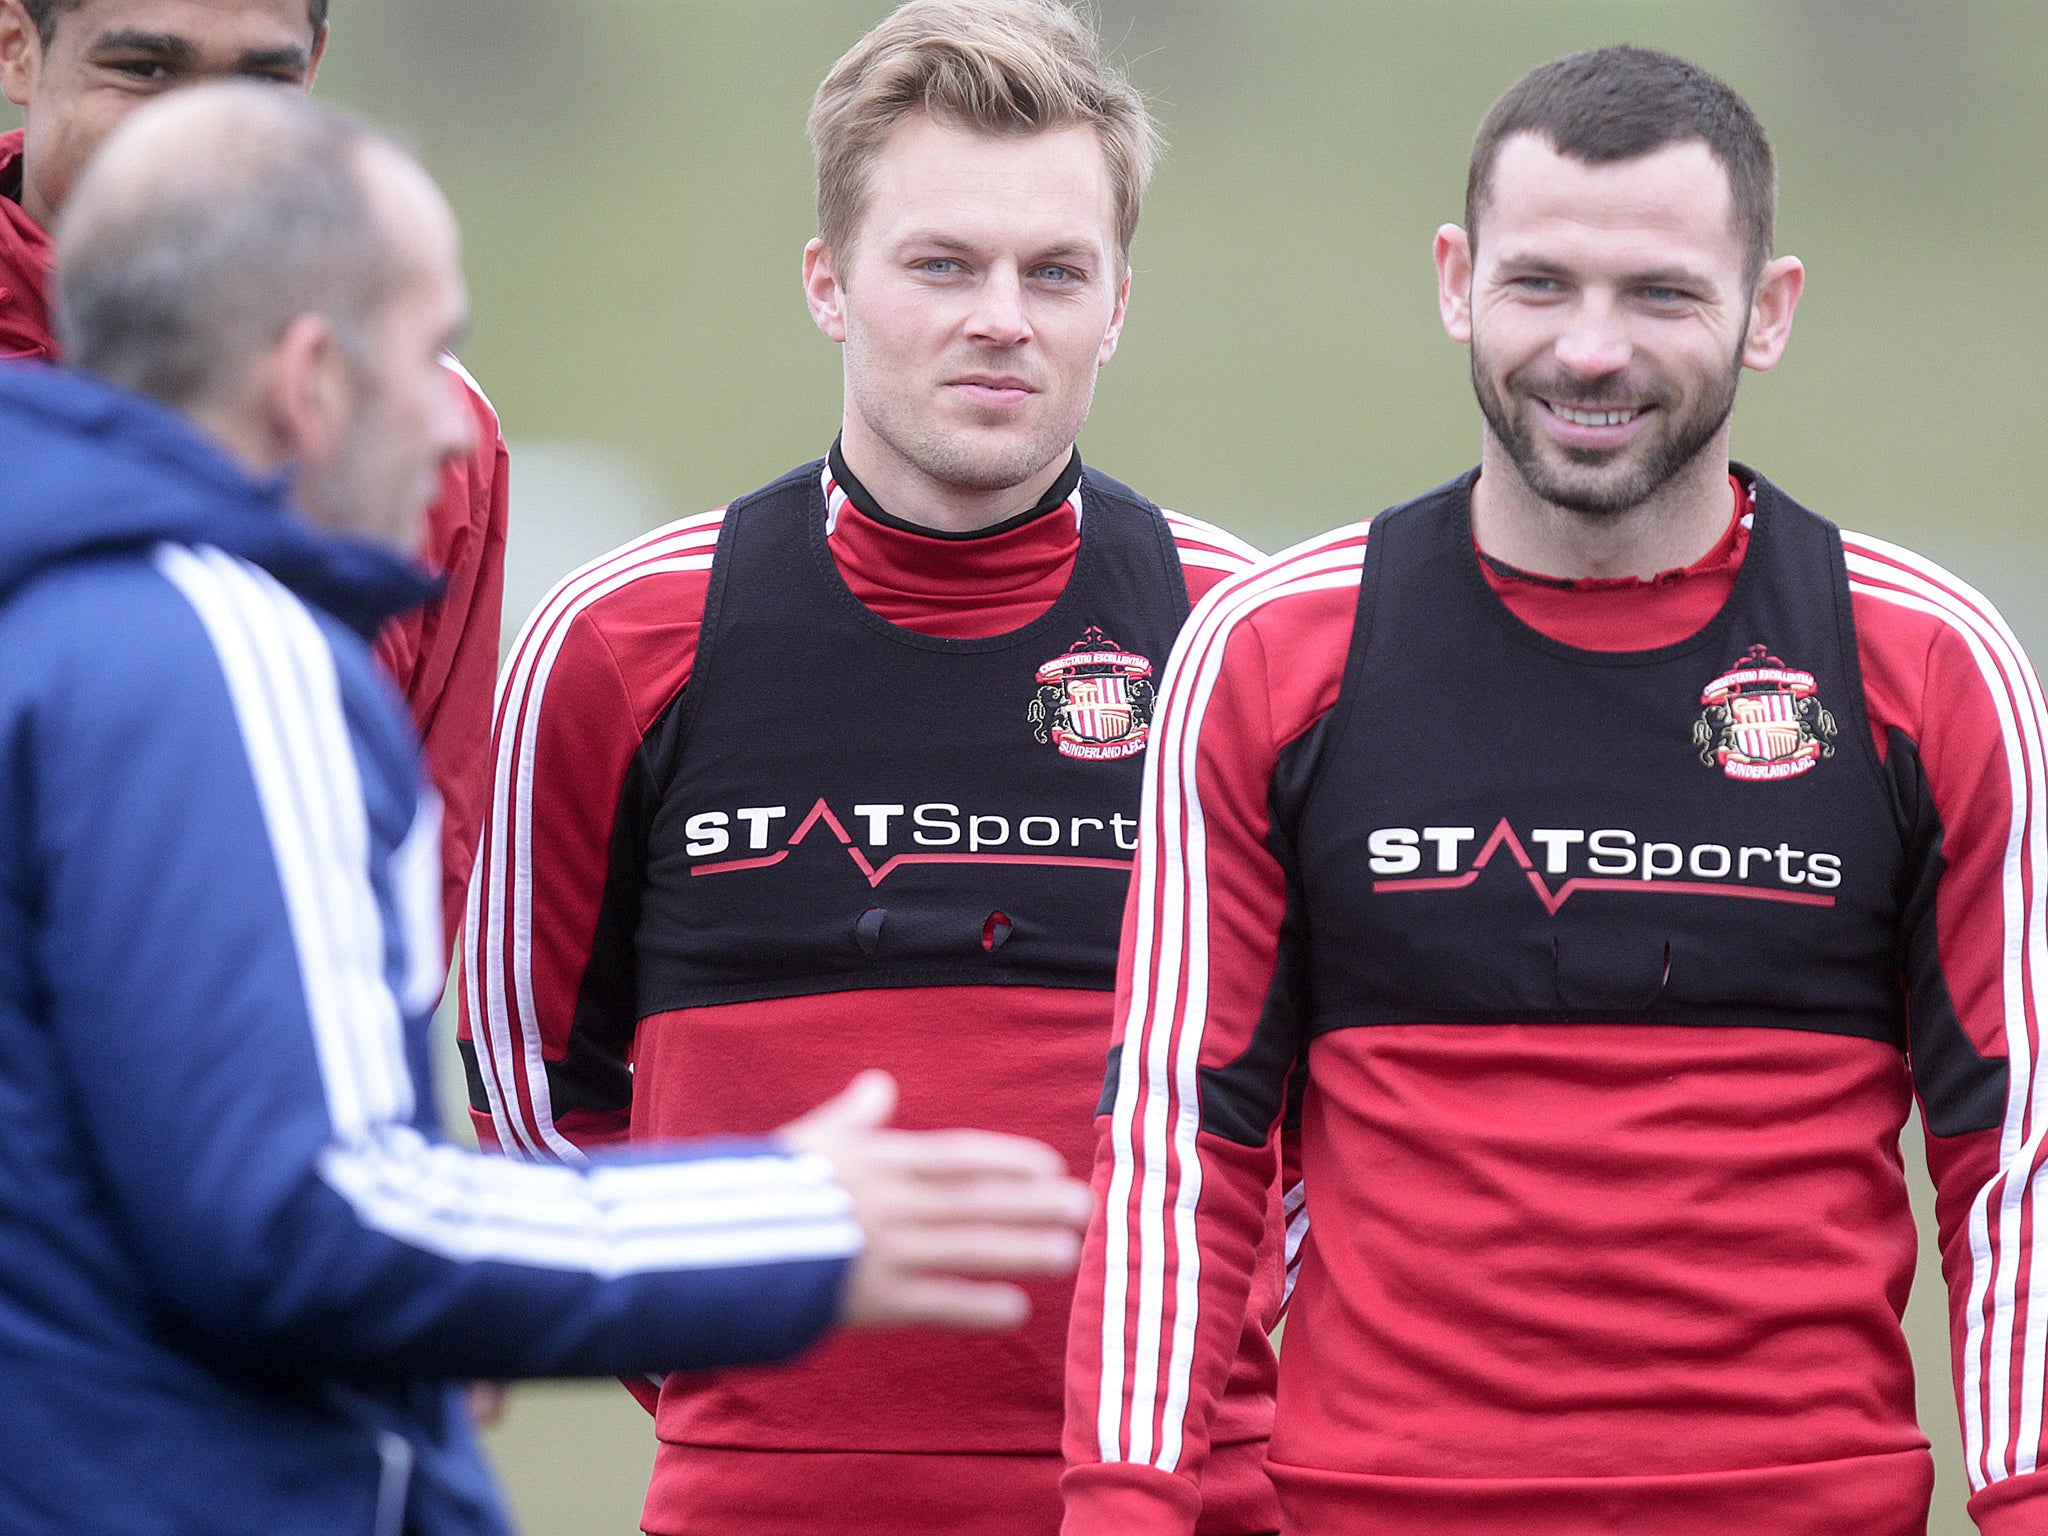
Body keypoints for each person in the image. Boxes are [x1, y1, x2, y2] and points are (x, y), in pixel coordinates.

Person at [0, 83, 1097, 1536]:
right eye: (430, 352)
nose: (461, 432)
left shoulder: (66, 622)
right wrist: (784, 1214)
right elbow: (300, 1216)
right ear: (313, 381)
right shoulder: (226, 647)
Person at [1063, 44, 2048, 1536]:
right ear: (1457, 281)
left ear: (1767, 311)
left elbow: (2016, 1170)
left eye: (1661, 292)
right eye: (1541, 285)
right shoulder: (1270, 657)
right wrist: (1122, 1514)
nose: (1592, 350)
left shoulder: (1932, 667)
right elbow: (1171, 1156)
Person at [458, 2, 1284, 1532]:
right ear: (830, 284)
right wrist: (742, 1374)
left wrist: (1179, 1369)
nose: (1002, 318)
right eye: (941, 265)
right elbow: (530, 1101)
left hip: (1188, 1498)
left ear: (1118, 302)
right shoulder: (620, 641)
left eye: (1055, 271)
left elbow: (1335, 1104)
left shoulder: (1246, 638)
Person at [0, 0, 505, 947]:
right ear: (17, 51)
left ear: (313, 69)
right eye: (145, 71)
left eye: (260, 82)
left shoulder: (424, 420)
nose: (203, 139)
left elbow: (411, 864)